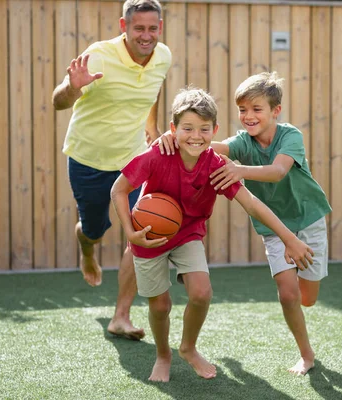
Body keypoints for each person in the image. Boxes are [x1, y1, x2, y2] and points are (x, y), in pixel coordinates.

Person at [111, 87, 315, 382]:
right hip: (148, 235)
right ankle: (163, 355)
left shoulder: (215, 165)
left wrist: (289, 238)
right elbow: (118, 190)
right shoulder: (158, 154)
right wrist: (131, 232)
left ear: (215, 130)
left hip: (188, 234)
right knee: (160, 305)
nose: (196, 136)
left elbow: (253, 204)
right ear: (173, 129)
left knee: (202, 292)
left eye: (204, 129)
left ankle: (188, 348)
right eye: (187, 129)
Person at [158, 72, 332, 376]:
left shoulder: (290, 136)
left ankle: (306, 303)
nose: (248, 116)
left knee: (307, 298)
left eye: (256, 109)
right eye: (242, 110)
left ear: (275, 111)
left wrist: (239, 171)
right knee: (288, 292)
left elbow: (278, 171)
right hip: (273, 228)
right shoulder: (241, 142)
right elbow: (209, 145)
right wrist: (176, 137)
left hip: (309, 218)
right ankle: (306, 355)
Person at [51, 0, 171, 340]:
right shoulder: (99, 56)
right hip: (88, 158)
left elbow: (152, 89)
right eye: (139, 28)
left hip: (132, 158)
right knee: (93, 228)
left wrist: (153, 125)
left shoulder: (163, 56)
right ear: (124, 26)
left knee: (143, 229)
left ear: (159, 27)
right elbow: (57, 101)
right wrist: (73, 86)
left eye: (152, 28)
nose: (146, 35)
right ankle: (86, 245)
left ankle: (121, 315)